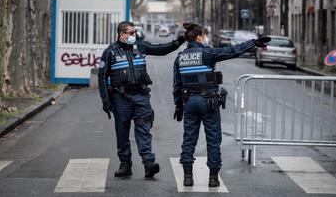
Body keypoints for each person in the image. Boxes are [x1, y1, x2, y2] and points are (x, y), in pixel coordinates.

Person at [172, 22, 270, 187]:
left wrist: (178, 106)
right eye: (204, 35)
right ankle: (213, 178)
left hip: (189, 102)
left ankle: (187, 177)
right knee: (213, 140)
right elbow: (232, 51)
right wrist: (253, 42)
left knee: (188, 140)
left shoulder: (180, 57)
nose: (206, 38)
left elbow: (177, 85)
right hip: (208, 102)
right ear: (199, 37)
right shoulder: (207, 53)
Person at [98, 21, 185, 178]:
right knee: (122, 132)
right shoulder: (110, 52)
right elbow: (102, 77)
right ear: (121, 34)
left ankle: (148, 163)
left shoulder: (141, 46)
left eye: (134, 32)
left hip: (141, 96)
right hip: (120, 98)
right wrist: (106, 101)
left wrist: (179, 41)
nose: (134, 35)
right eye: (130, 33)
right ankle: (125, 165)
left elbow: (161, 50)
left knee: (144, 129)